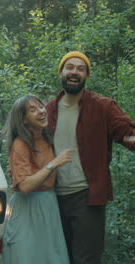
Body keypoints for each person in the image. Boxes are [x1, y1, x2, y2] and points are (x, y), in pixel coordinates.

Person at [46, 51, 135, 264]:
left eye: (80, 68)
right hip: (51, 197)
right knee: (59, 257)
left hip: (87, 196)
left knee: (86, 260)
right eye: (70, 67)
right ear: (61, 72)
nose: (74, 72)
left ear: (86, 75)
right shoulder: (47, 110)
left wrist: (130, 139)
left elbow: (126, 131)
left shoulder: (103, 106)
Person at [1, 95, 73, 264]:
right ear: (23, 120)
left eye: (40, 106)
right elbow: (25, 186)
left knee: (51, 257)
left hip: (48, 205)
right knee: (28, 257)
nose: (41, 111)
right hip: (27, 209)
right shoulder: (20, 145)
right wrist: (54, 164)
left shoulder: (47, 138)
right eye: (32, 110)